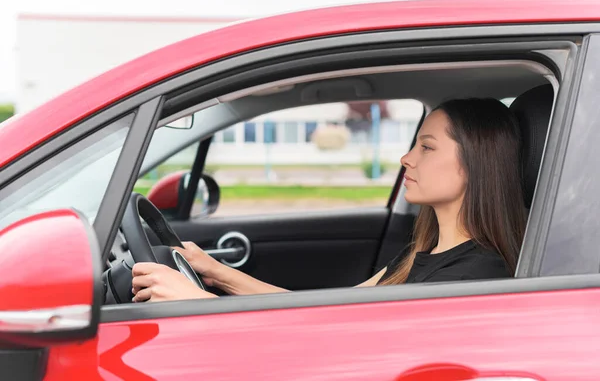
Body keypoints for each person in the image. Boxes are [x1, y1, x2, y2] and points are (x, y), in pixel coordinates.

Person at [131, 98, 527, 302]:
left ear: (476, 163)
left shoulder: (471, 278)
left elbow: (347, 342)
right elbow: (326, 311)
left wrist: (198, 302)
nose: (406, 158)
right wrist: (216, 273)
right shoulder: (423, 254)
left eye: (426, 147)